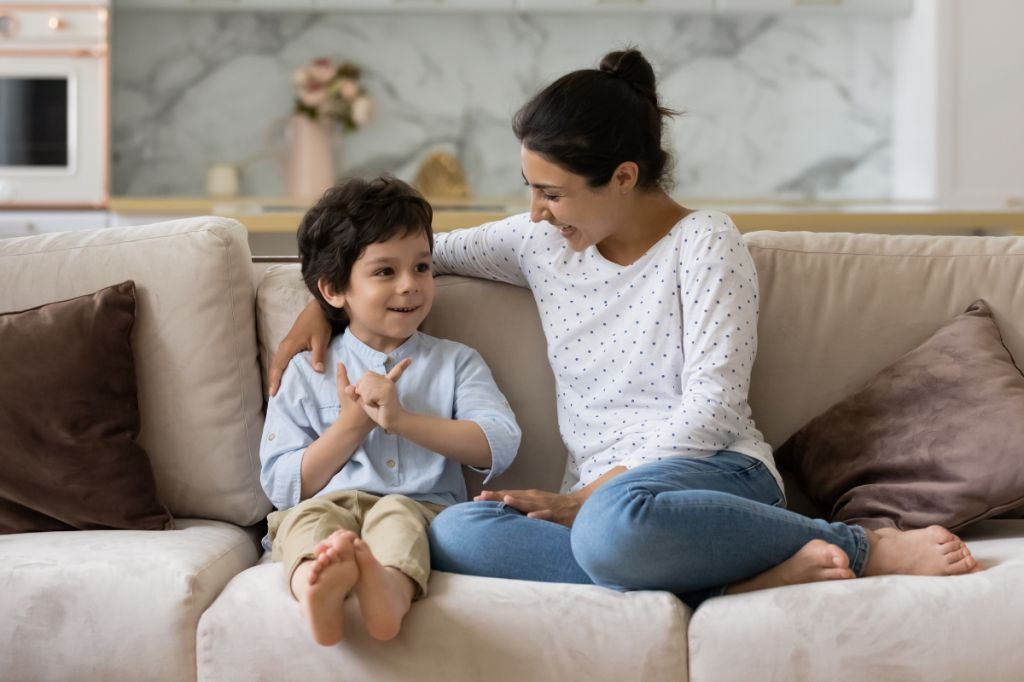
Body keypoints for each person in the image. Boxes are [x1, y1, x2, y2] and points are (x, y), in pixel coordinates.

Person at [268, 49, 980, 610]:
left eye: (551, 192)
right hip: (604, 504)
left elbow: (713, 410)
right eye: (530, 190)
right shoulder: (538, 242)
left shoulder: (705, 244)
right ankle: (731, 585)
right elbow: (408, 256)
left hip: (710, 477)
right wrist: (319, 305)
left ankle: (859, 548)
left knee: (616, 527)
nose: (537, 212)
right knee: (453, 531)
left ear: (622, 177)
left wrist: (589, 496)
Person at [260, 175, 521, 646]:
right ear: (335, 290)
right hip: (325, 504)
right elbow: (282, 486)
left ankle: (387, 596)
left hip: (420, 508)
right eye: (385, 272)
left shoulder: (455, 361)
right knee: (304, 524)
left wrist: (402, 422)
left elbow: (498, 443)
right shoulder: (306, 372)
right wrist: (350, 427)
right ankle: (315, 589)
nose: (410, 285)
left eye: (422, 267)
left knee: (398, 518)